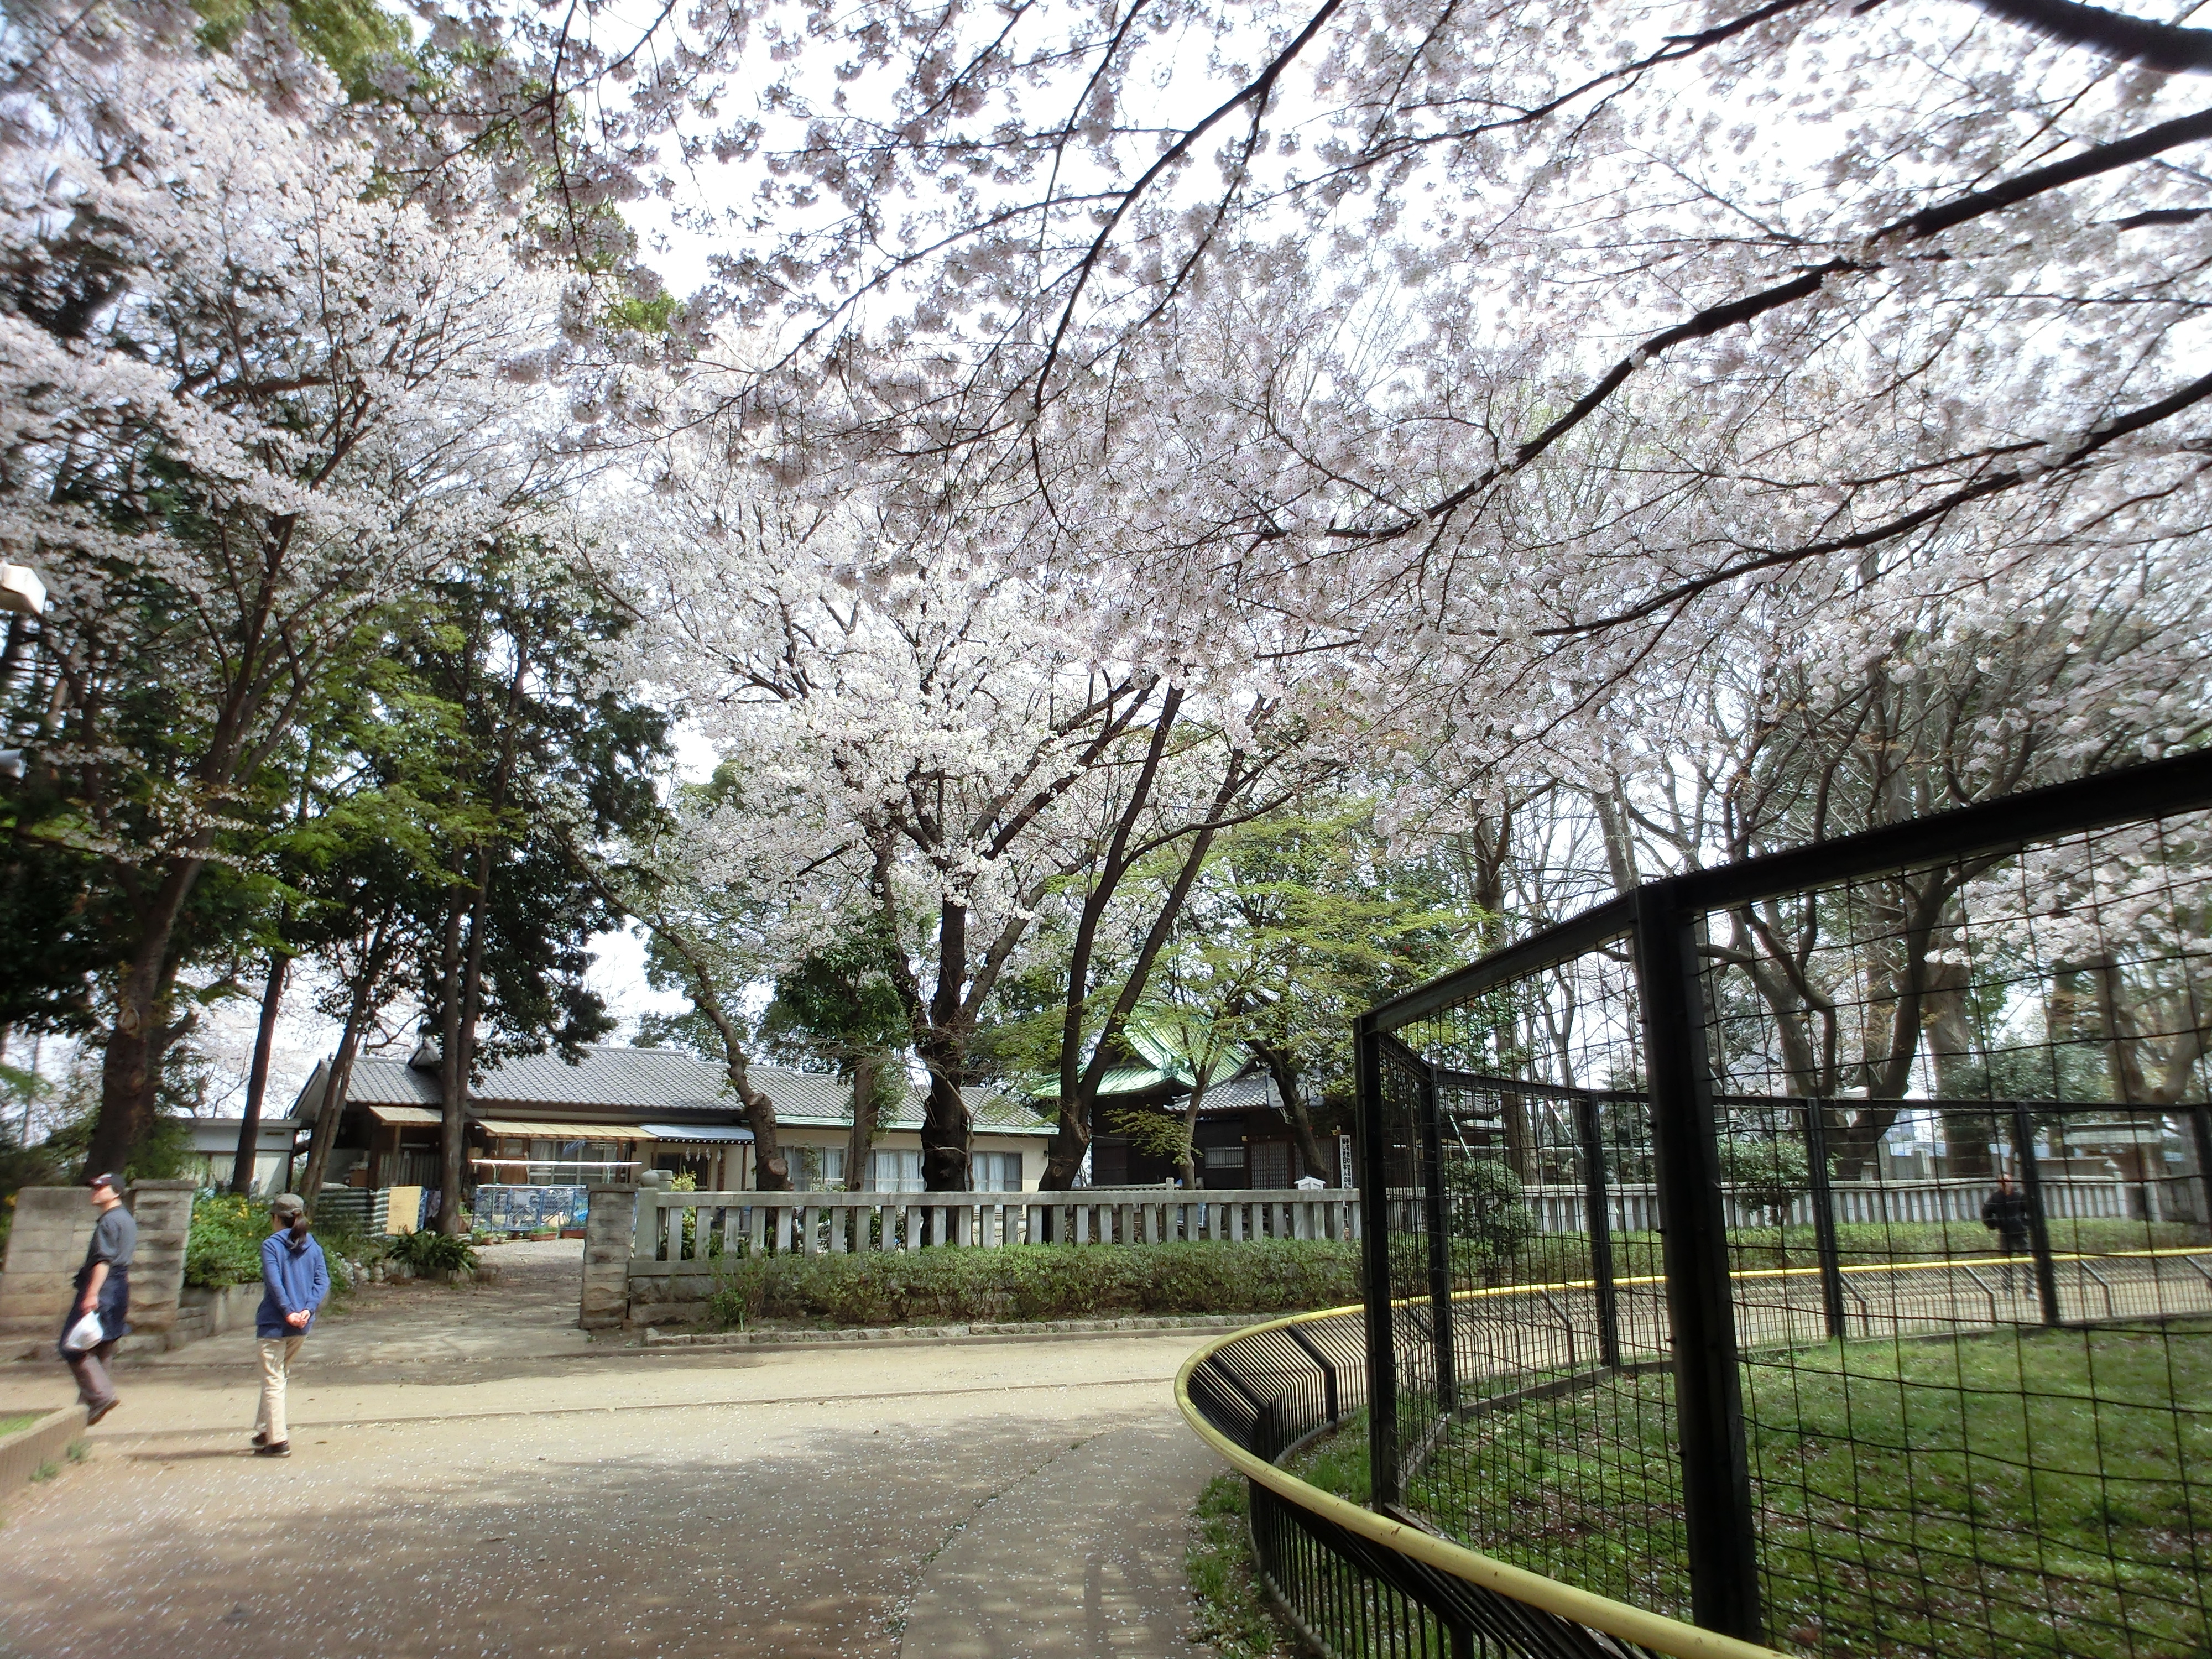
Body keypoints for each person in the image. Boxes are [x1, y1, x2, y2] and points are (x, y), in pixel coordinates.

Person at [252, 1192, 328, 1458]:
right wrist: (307, 1309)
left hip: (274, 1323)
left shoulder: (271, 1245)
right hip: (302, 1326)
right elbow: (322, 1281)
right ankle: (266, 1430)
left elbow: (275, 1283)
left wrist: (288, 1312)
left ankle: (278, 1442)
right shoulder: (313, 1246)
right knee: (278, 1376)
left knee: (273, 1379)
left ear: (276, 1218)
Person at [59, 1171, 134, 1426]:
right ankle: (85, 1408)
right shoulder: (126, 1219)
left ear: (116, 1192)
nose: (95, 1192)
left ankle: (101, 1397)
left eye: (101, 1188)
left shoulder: (109, 1222)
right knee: (102, 1344)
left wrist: (92, 1294)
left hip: (103, 1286)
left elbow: (103, 1261)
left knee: (72, 1345)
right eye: (95, 1187)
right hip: (119, 1287)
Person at [1981, 1174, 2034, 1294]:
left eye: (2007, 1181)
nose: (2005, 1184)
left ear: (2011, 1182)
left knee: (2027, 1261)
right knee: (2006, 1262)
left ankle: (2029, 1290)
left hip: (2021, 1233)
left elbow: (2030, 1211)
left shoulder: (2019, 1196)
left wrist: (2025, 1223)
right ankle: (2008, 1289)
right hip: (2005, 1234)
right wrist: (1994, 1225)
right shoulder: (1995, 1198)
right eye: (2002, 1181)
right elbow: (1986, 1212)